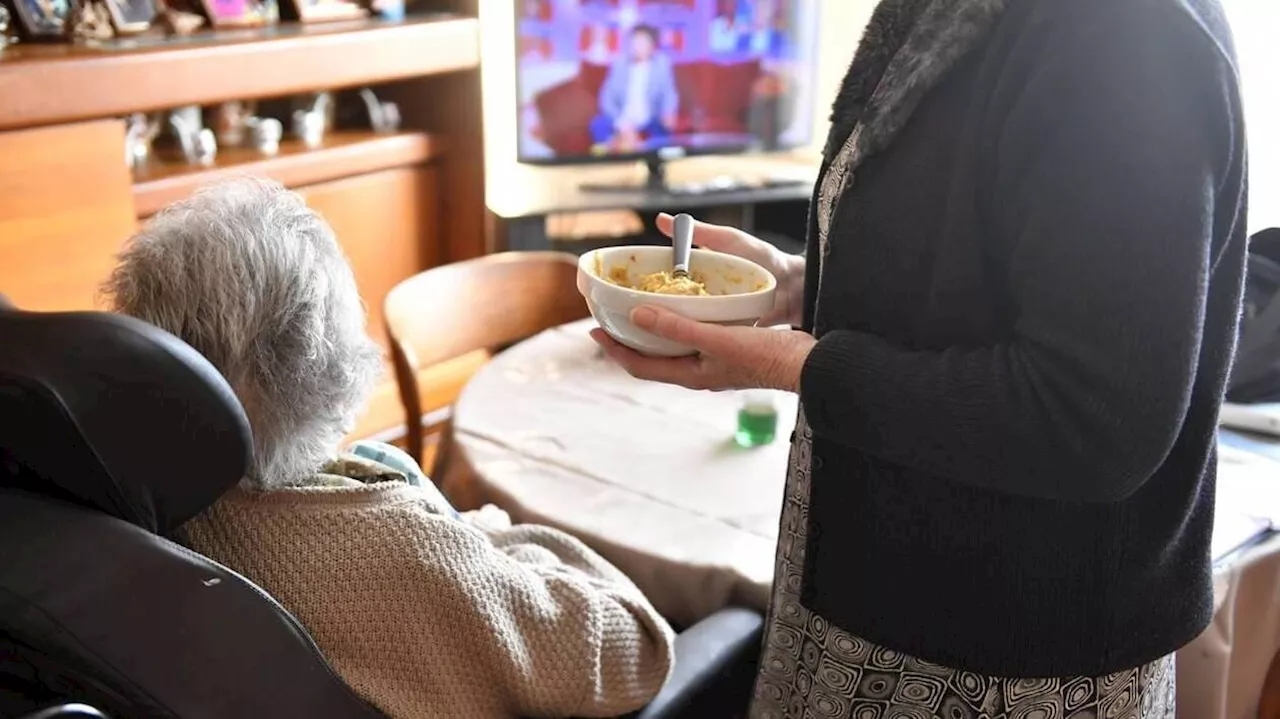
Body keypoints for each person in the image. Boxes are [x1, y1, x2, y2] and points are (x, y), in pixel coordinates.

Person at [593, 0, 1247, 716]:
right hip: (876, 597)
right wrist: (803, 283)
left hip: (1006, 663)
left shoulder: (1123, 35)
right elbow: (978, 264)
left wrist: (796, 367)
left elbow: (1090, 415)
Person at [104, 178, 674, 719]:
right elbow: (639, 651)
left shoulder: (138, 507)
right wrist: (497, 536)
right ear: (326, 358)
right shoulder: (414, 554)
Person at [590, 24, 679, 151]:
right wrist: (621, 123)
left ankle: (641, 148)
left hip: (649, 118)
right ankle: (613, 145)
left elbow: (669, 93)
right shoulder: (619, 64)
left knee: (664, 132)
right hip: (623, 117)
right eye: (635, 41)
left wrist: (668, 111)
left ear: (652, 46)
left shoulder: (662, 64)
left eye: (642, 42)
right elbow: (606, 97)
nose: (637, 47)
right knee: (598, 124)